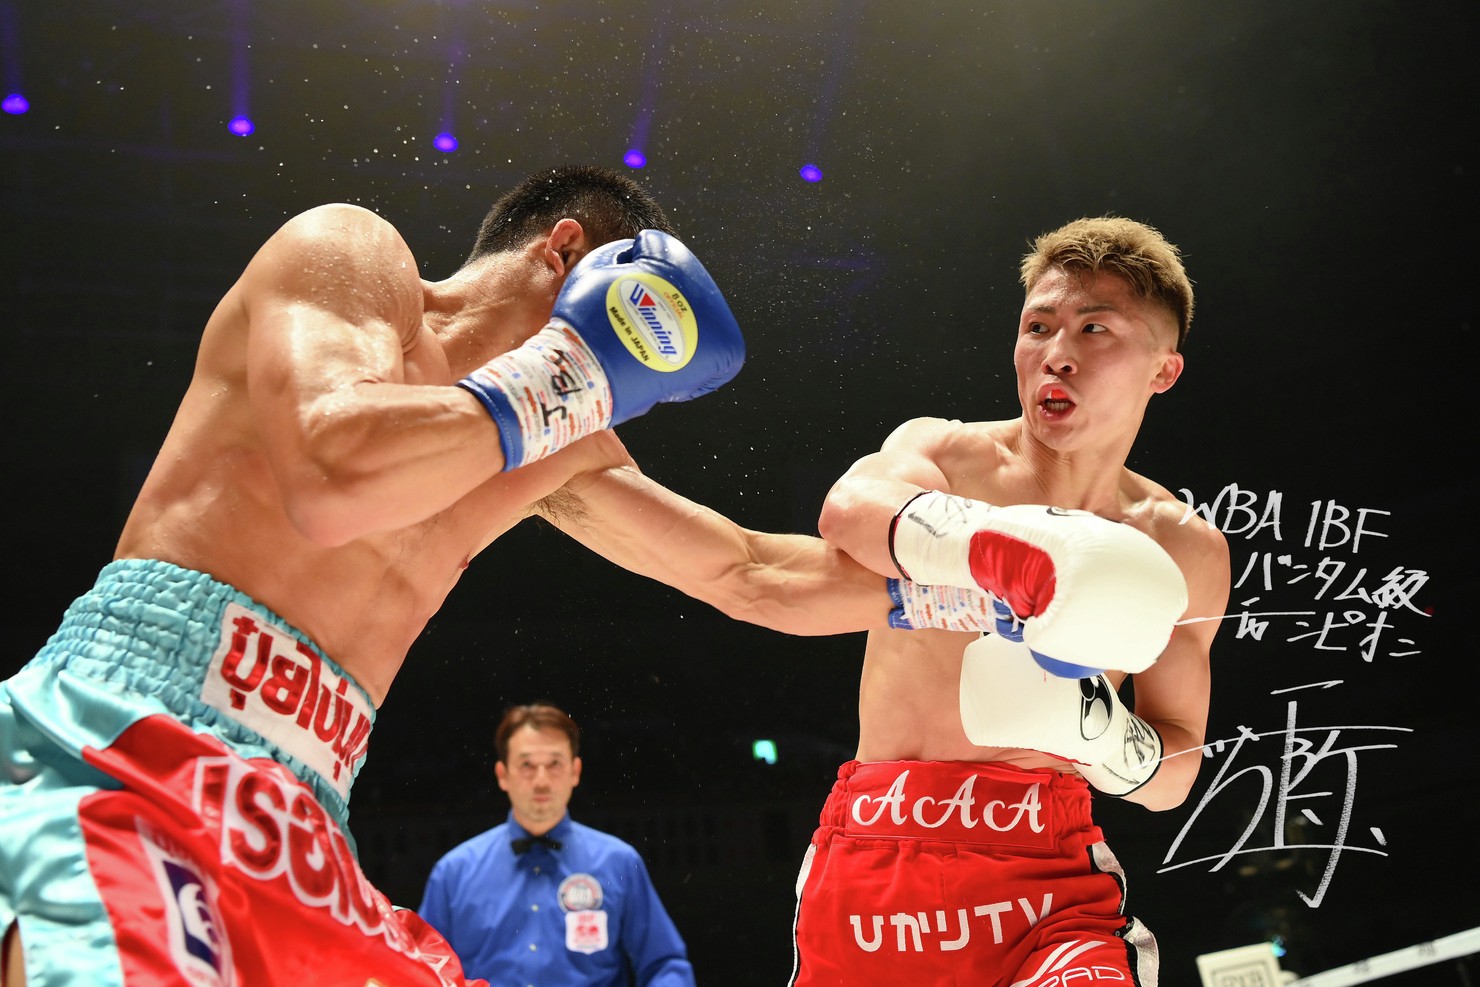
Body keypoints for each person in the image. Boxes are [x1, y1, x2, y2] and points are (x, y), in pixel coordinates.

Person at [0, 164, 916, 987]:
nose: (622, 373)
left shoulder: (551, 439)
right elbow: (332, 474)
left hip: (302, 813)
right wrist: (566, 375)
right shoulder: (351, 256)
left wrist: (982, 581)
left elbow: (751, 571)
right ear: (563, 254)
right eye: (628, 325)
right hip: (131, 732)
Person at [790, 216, 1233, 985]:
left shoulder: (1182, 547)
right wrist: (1012, 552)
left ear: (1164, 370)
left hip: (1047, 874)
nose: (1056, 353)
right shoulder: (946, 454)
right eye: (1039, 325)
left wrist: (1098, 735)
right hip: (879, 850)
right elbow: (849, 509)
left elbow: (1177, 771)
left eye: (1095, 328)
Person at [419, 703, 694, 987]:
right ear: (503, 775)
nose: (541, 781)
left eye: (555, 764)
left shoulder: (618, 862)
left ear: (575, 771)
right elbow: (418, 971)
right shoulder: (453, 873)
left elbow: (665, 965)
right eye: (527, 765)